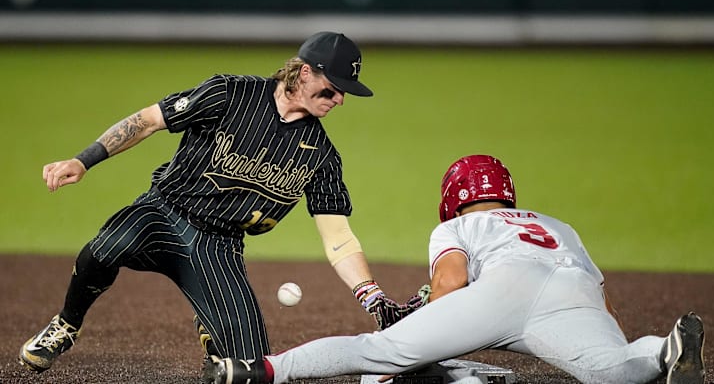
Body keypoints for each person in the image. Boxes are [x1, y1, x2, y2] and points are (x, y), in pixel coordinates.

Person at [19, 31, 422, 375]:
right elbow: (149, 119)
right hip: (162, 212)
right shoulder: (230, 93)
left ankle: (209, 317)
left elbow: (337, 235)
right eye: (332, 88)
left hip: (219, 246)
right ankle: (65, 325)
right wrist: (84, 160)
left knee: (250, 365)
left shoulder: (320, 155)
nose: (338, 100)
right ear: (304, 73)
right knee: (106, 247)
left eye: (344, 93)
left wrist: (372, 296)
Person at [202, 154, 707, 384]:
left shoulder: (456, 229)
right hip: (574, 291)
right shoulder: (557, 224)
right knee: (609, 370)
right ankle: (663, 350)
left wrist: (420, 340)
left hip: (506, 285)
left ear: (453, 198)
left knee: (378, 354)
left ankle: (259, 369)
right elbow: (604, 299)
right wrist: (608, 337)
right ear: (505, 192)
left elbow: (451, 285)